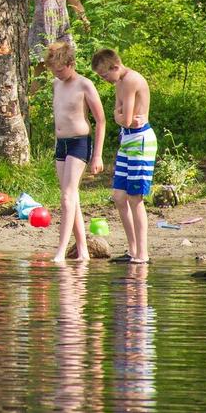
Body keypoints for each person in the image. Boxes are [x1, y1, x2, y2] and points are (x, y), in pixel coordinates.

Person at [91, 48, 156, 264]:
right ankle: (132, 248)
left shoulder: (130, 80)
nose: (104, 80)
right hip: (127, 140)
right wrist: (119, 116)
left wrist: (119, 116)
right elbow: (117, 115)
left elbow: (126, 119)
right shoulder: (119, 81)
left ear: (115, 67)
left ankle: (142, 254)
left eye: (104, 75)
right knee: (119, 197)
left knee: (134, 198)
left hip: (140, 140)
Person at [47, 42, 105, 262]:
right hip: (61, 144)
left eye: (60, 69)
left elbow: (101, 120)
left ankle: (60, 251)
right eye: (54, 69)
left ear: (71, 64)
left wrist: (97, 155)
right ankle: (83, 251)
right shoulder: (56, 84)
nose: (57, 73)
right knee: (72, 199)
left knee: (67, 196)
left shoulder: (85, 85)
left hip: (79, 143)